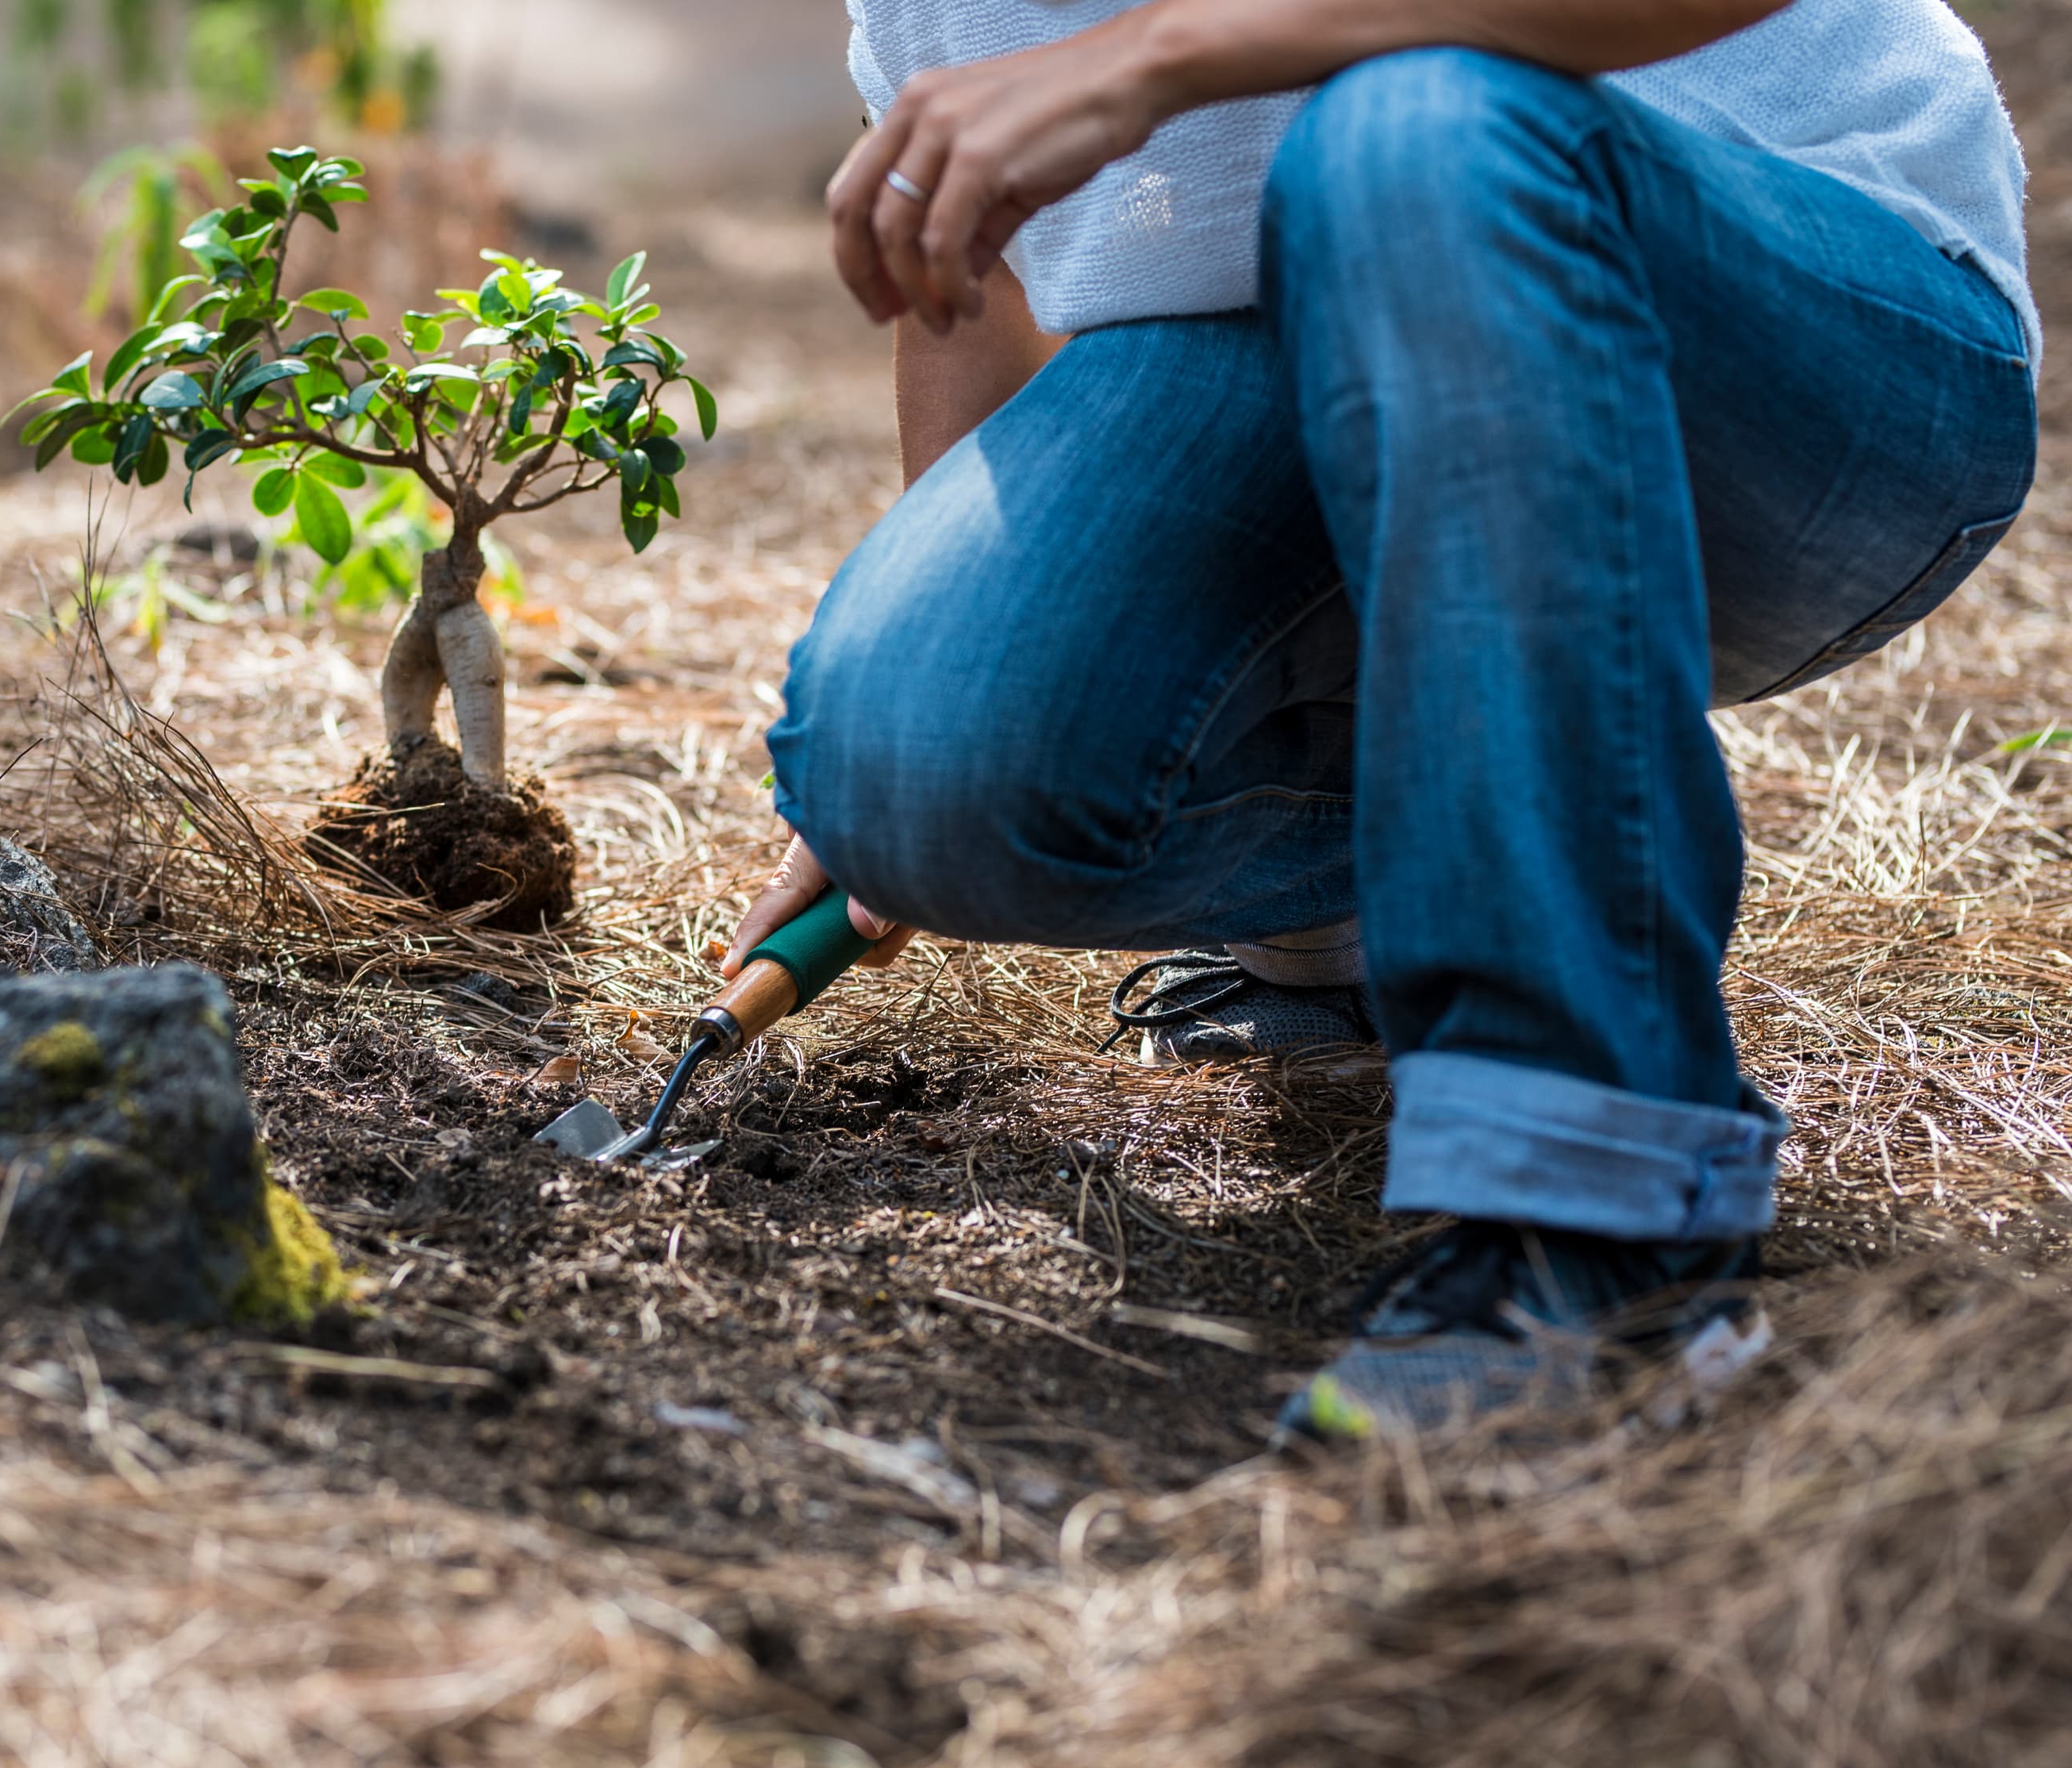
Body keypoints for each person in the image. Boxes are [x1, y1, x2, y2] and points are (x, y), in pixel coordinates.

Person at [722, 0, 2036, 1440]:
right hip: (1295, 359)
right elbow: (956, 270)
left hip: (1788, 325)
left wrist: (1161, 51)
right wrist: (926, 712)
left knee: (1415, 126)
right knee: (918, 761)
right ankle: (1379, 889)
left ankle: (1601, 1216)